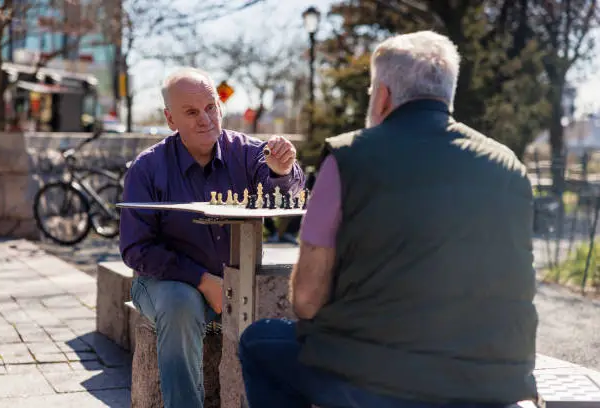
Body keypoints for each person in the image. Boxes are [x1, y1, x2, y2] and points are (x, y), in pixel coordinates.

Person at [238, 31, 539, 408]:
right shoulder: (509, 166)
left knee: (259, 341)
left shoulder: (348, 160)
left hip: (383, 382)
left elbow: (307, 300)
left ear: (382, 95)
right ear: (447, 94)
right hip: (495, 380)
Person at [119, 67, 305, 408]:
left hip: (238, 276)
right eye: (191, 112)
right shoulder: (147, 169)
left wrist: (282, 170)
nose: (206, 119)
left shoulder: (246, 152)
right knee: (179, 305)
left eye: (211, 106)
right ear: (170, 119)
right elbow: (135, 249)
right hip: (164, 282)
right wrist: (202, 280)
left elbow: (288, 191)